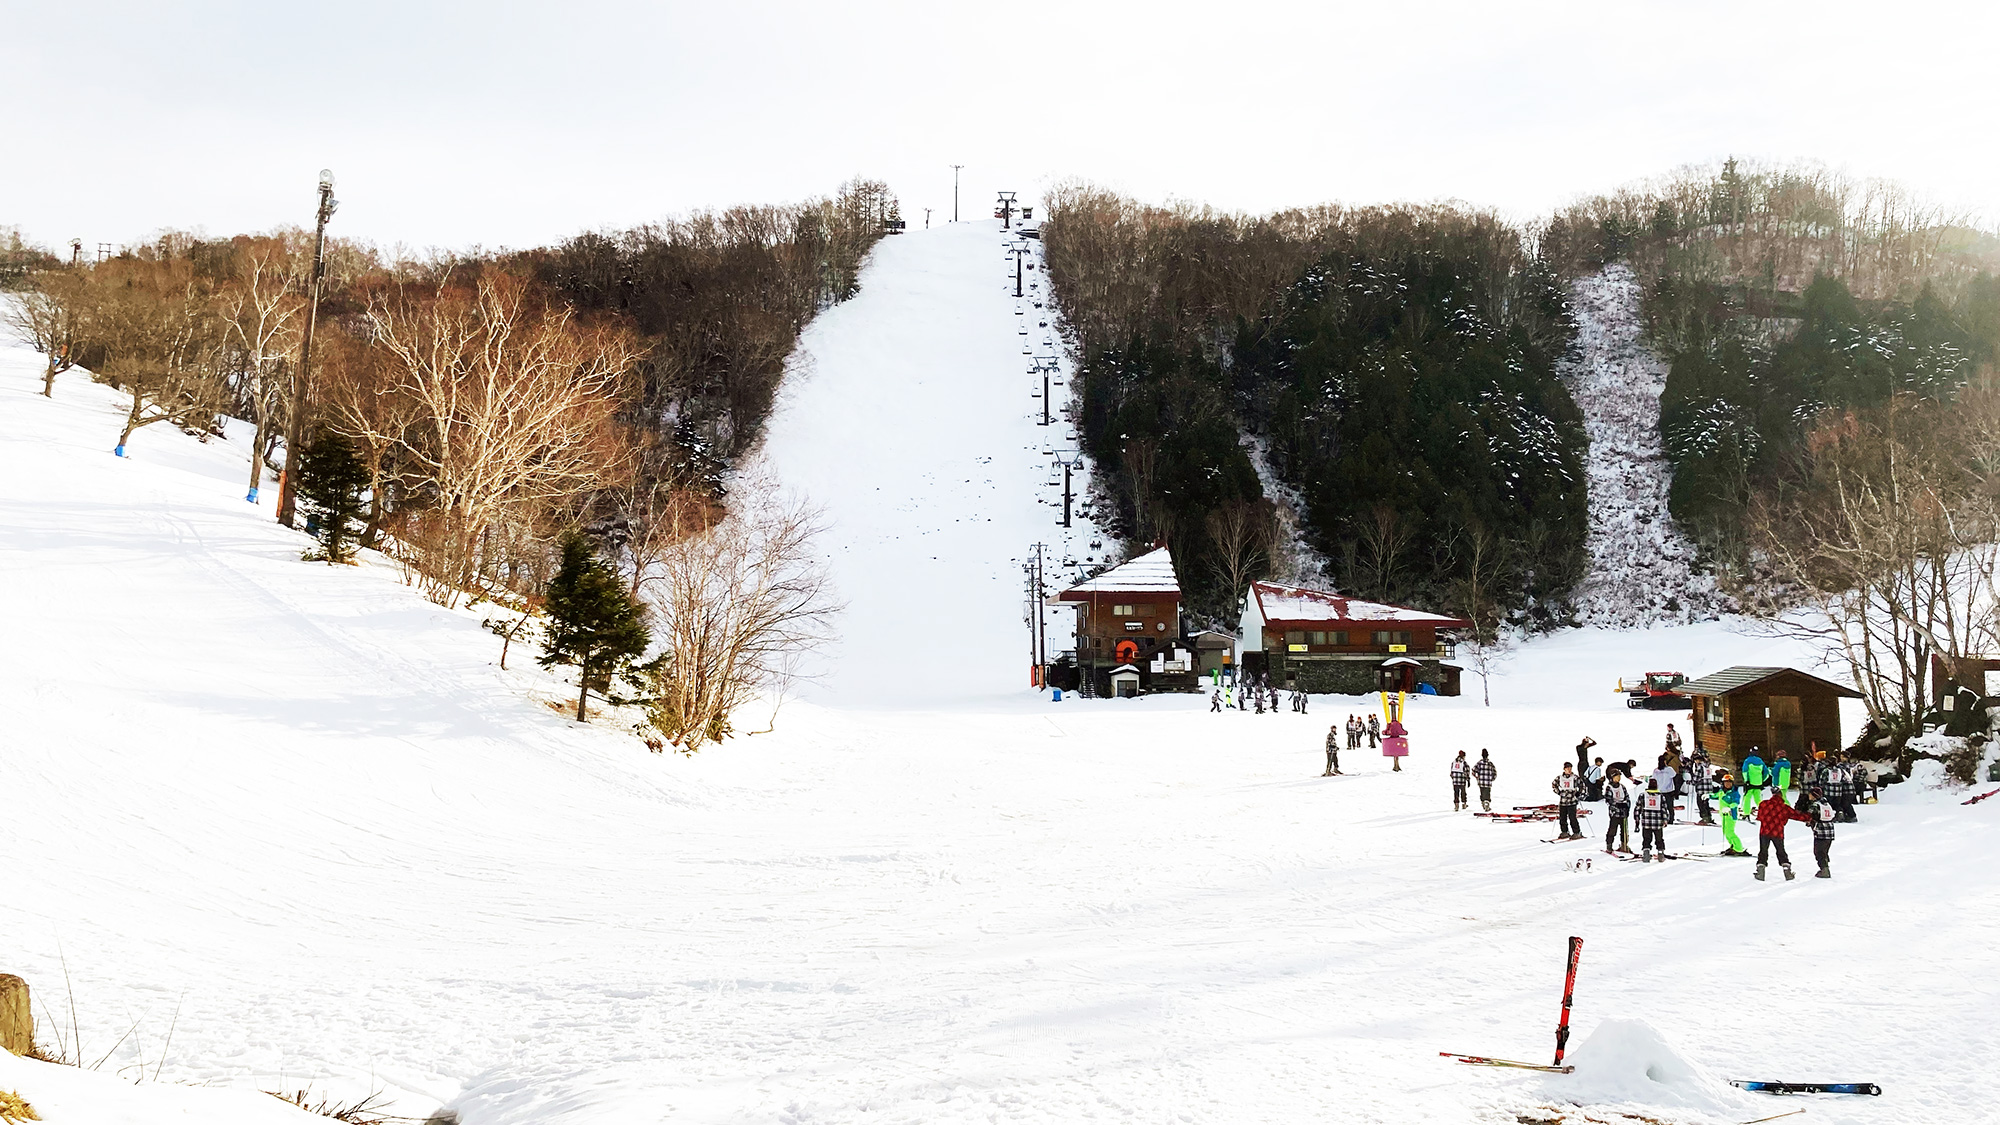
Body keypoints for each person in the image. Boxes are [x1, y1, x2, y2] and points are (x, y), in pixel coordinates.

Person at [1753, 788, 1810, 881]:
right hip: (1778, 832)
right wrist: (1809, 817)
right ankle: (1787, 870)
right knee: (1781, 851)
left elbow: (1760, 817)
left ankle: (1760, 871)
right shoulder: (1784, 807)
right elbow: (1797, 816)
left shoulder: (1763, 804)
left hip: (1764, 831)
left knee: (1763, 851)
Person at [1803, 784, 1838, 878]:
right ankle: (1825, 865)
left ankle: (1824, 869)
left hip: (1821, 831)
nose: (1808, 796)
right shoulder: (1826, 804)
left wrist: (1808, 821)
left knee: (1818, 851)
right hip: (1830, 830)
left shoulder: (1815, 805)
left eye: (1810, 794)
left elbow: (1809, 815)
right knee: (1824, 851)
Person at [1714, 770, 1749, 857]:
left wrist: (1729, 807)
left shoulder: (1734, 793)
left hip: (1730, 815)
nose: (1728, 784)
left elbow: (1736, 802)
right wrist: (1708, 795)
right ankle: (1733, 846)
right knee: (1725, 832)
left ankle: (1739, 848)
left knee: (1730, 832)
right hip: (1723, 815)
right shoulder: (1722, 791)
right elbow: (1715, 795)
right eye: (1726, 782)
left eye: (1729, 782)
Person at [1636, 779, 1670, 861]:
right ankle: (1661, 853)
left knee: (1646, 838)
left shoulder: (1642, 795)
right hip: (1658, 823)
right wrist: (1665, 820)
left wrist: (1637, 819)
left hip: (1646, 822)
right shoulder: (1660, 796)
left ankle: (1646, 853)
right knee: (1659, 839)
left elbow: (1638, 808)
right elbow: (1664, 809)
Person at [1602, 770, 1632, 854]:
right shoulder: (1609, 787)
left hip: (1623, 812)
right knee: (1612, 829)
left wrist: (1627, 806)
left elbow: (1627, 797)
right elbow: (1608, 800)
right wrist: (1616, 806)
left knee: (1624, 830)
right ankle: (1609, 845)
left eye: (1619, 776)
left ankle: (1624, 844)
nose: (1618, 778)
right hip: (1614, 812)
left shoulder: (1622, 786)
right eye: (1616, 776)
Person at [1552, 762, 1583, 839]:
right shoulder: (1560, 778)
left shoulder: (1575, 777)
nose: (1569, 770)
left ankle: (1577, 832)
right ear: (1564, 769)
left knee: (1572, 817)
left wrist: (1579, 793)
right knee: (1562, 817)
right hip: (1563, 801)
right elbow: (1554, 785)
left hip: (1572, 800)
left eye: (1570, 768)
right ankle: (1564, 831)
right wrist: (1558, 792)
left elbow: (1582, 785)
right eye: (1567, 768)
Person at [1687, 746, 1714, 825]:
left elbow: (1696, 779)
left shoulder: (1700, 767)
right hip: (1708, 788)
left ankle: (1704, 818)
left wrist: (1690, 782)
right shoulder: (1707, 767)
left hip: (1702, 788)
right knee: (1706, 803)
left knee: (1700, 803)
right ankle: (1709, 817)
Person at [1650, 755, 1678, 823]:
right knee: (1669, 806)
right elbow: (1674, 776)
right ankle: (1671, 819)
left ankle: (1661, 818)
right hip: (1668, 790)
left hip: (1659, 790)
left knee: (1660, 806)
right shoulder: (1669, 769)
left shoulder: (1655, 770)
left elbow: (1653, 779)